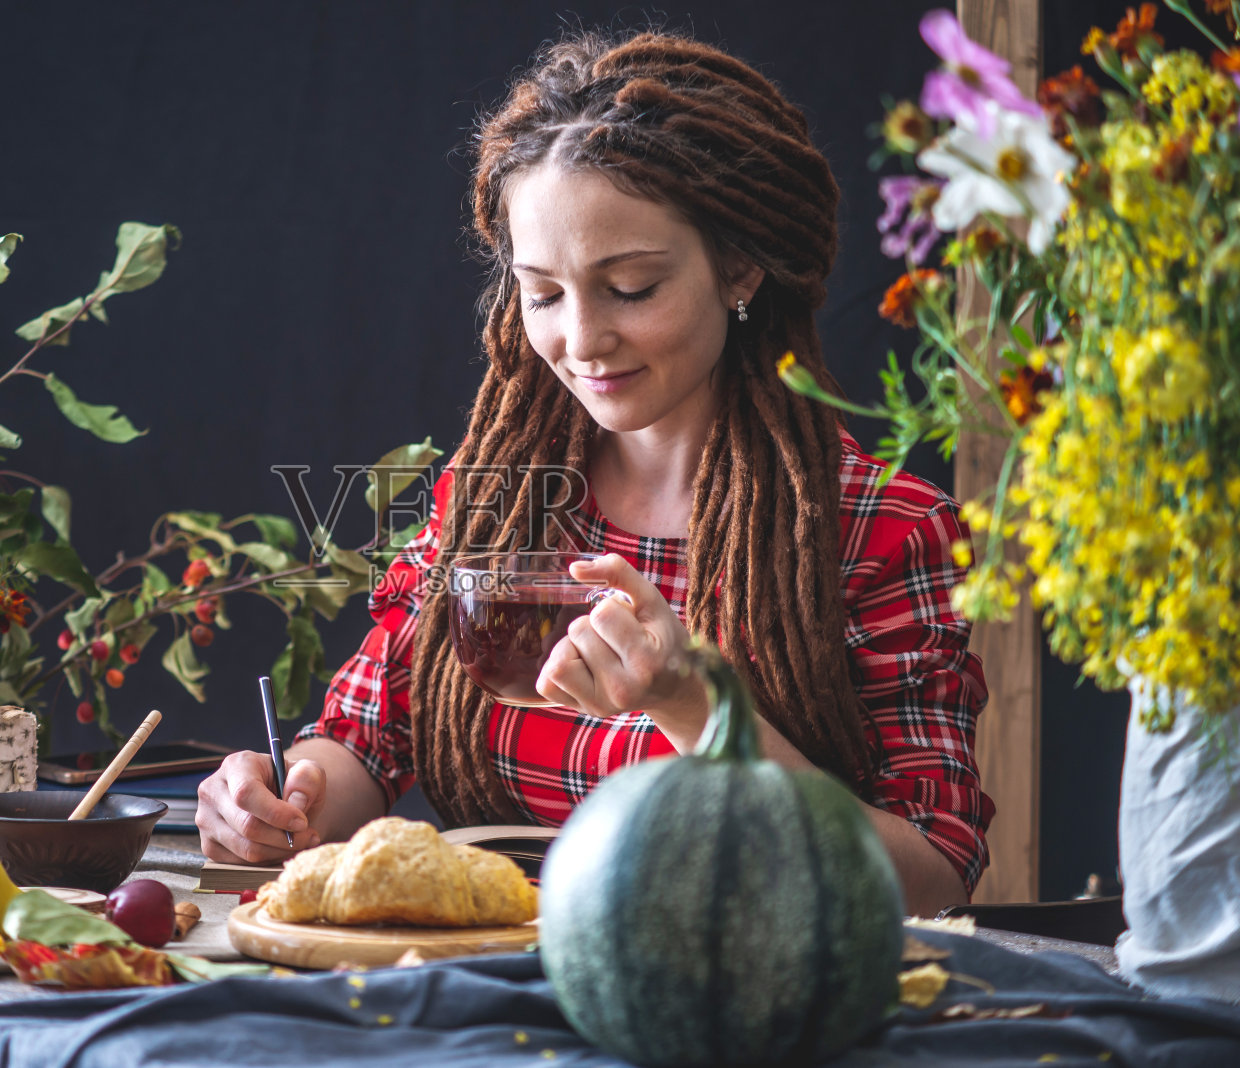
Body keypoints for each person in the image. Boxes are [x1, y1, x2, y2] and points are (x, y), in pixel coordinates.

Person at [197, 30, 992, 917]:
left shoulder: (881, 531)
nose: (581, 340)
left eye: (632, 287)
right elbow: (370, 735)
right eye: (543, 293)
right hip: (480, 1003)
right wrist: (281, 802)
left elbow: (930, 881)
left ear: (740, 266)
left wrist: (695, 707)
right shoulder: (498, 495)